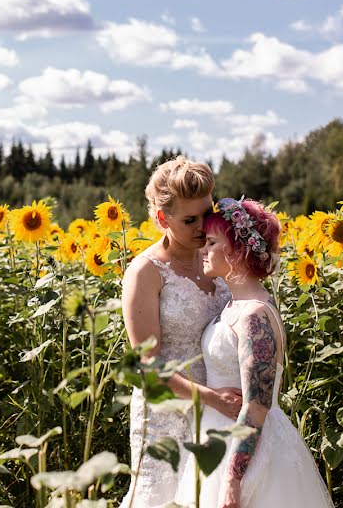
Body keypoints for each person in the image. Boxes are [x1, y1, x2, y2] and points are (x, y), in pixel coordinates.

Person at [174, 197, 333, 508]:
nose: (203, 249)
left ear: (237, 250)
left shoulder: (253, 316)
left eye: (212, 242)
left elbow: (258, 405)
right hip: (217, 436)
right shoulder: (237, 305)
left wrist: (233, 481)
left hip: (247, 453)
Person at [120, 157, 241, 508]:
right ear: (162, 219)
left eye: (208, 213)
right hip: (166, 414)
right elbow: (148, 369)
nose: (204, 227)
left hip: (219, 410)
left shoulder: (218, 257)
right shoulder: (146, 272)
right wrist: (212, 397)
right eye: (190, 220)